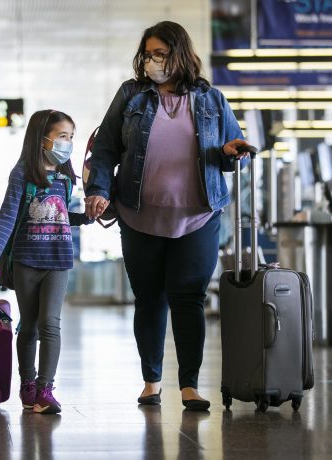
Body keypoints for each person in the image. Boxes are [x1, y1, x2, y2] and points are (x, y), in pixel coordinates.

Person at [84, 21, 250, 411]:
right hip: (139, 217)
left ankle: (189, 386)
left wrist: (231, 151)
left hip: (197, 218)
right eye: (148, 54)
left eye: (160, 53)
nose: (152, 61)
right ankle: (151, 382)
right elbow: (106, 148)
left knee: (188, 298)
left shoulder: (211, 99)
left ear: (179, 53)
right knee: (149, 299)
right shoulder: (131, 95)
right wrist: (98, 191)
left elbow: (230, 151)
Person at [0, 109, 94, 414]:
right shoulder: (23, 174)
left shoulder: (67, 176)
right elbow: (7, 219)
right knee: (28, 326)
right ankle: (27, 384)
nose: (67, 143)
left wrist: (90, 217)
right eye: (61, 137)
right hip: (28, 260)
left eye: (71, 137)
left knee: (50, 324)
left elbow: (63, 217)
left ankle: (45, 389)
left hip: (59, 259)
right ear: (42, 139)